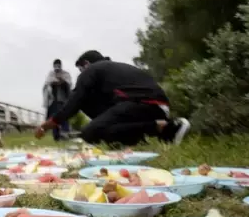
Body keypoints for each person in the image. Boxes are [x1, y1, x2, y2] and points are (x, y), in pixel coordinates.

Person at [35, 50, 190, 146]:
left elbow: (74, 102)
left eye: (81, 69)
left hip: (142, 104)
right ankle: (149, 131)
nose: (80, 73)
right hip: (156, 107)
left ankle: (168, 128)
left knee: (89, 133)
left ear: (86, 64)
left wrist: (46, 125)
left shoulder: (93, 70)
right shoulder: (114, 70)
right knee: (104, 128)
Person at [43, 59, 72, 141]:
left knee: (64, 117)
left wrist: (61, 81)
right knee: (53, 118)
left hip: (63, 100)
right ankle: (56, 136)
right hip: (53, 100)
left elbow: (68, 83)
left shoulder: (66, 74)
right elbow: (48, 82)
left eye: (58, 65)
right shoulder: (51, 74)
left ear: (60, 65)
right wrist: (56, 81)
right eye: (55, 65)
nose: (57, 67)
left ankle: (65, 134)